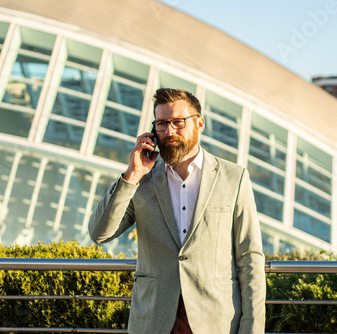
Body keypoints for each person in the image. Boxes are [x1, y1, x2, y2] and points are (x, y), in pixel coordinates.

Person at [89, 88, 265, 334]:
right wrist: (132, 175)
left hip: (216, 323)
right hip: (153, 321)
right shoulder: (141, 180)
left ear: (199, 123)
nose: (169, 132)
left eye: (178, 122)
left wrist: (252, 329)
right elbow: (99, 233)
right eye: (161, 124)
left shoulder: (233, 178)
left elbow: (249, 258)